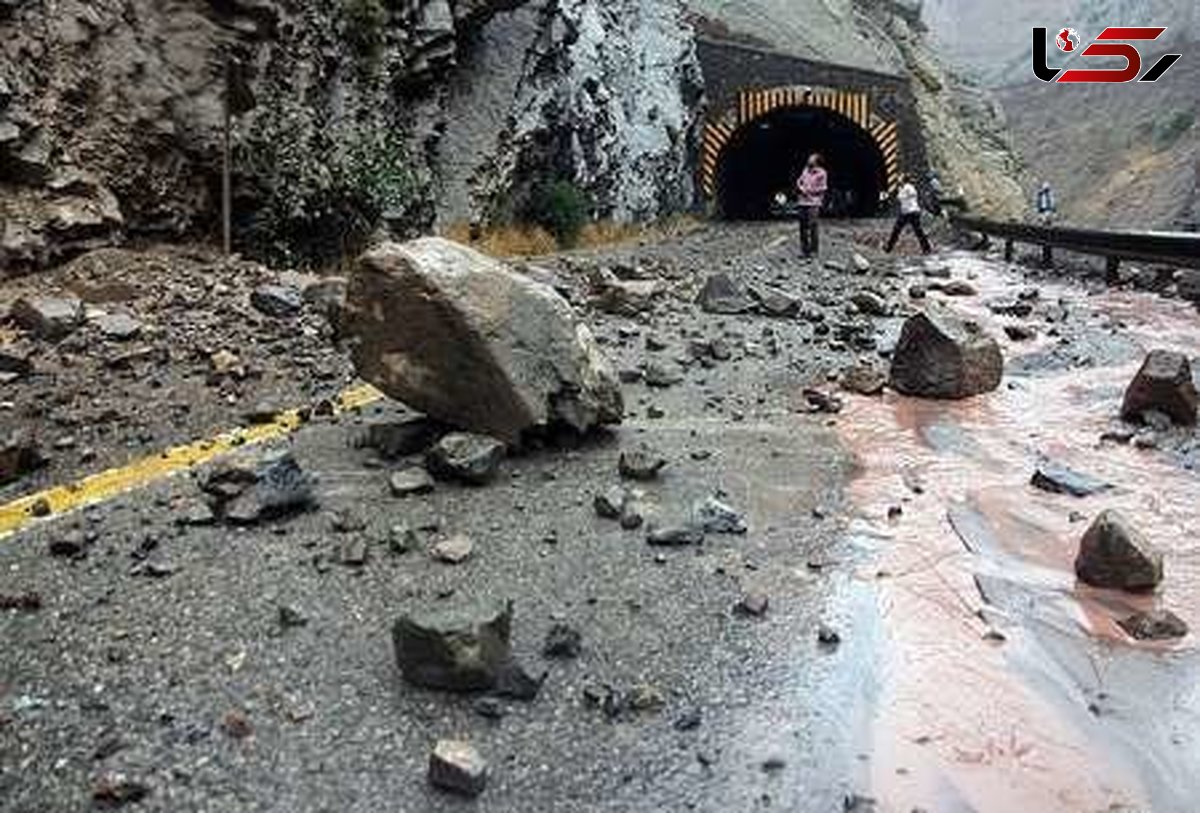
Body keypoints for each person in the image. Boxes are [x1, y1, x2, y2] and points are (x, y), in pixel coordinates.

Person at [885, 174, 931, 254]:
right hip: (910, 212)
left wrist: (899, 190)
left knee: (897, 230)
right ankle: (926, 248)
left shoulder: (907, 188)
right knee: (918, 231)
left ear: (904, 180)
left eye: (900, 178)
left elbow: (901, 197)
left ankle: (889, 248)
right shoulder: (907, 188)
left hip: (909, 212)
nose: (898, 179)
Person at [796, 153, 828, 258]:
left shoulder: (822, 173)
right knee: (802, 227)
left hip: (813, 203)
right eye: (809, 158)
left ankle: (814, 251)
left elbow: (823, 188)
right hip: (802, 202)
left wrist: (809, 190)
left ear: (816, 161)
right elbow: (799, 180)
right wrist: (800, 186)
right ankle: (804, 251)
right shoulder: (805, 170)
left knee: (813, 226)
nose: (809, 160)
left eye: (811, 158)